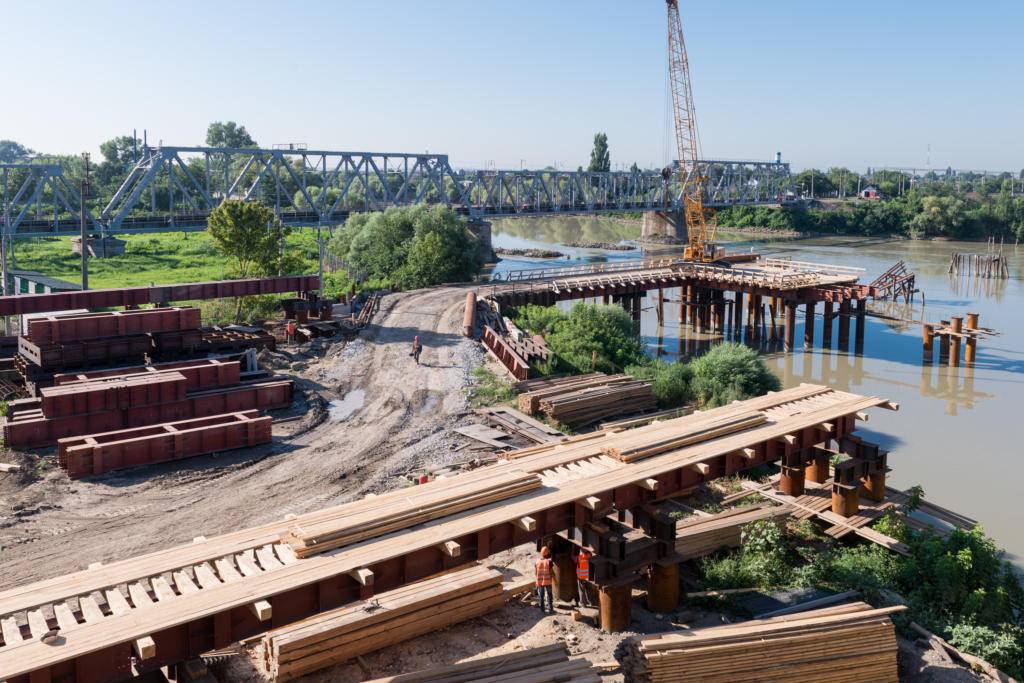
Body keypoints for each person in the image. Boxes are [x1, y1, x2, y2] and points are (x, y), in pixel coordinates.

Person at [535, 546, 554, 614]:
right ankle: (550, 609)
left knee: (541, 595)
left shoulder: (537, 562)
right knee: (549, 595)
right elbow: (551, 572)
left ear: (541, 553)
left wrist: (537, 581)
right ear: (548, 553)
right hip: (548, 581)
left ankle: (542, 610)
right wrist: (552, 579)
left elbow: (536, 572)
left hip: (540, 581)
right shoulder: (549, 562)